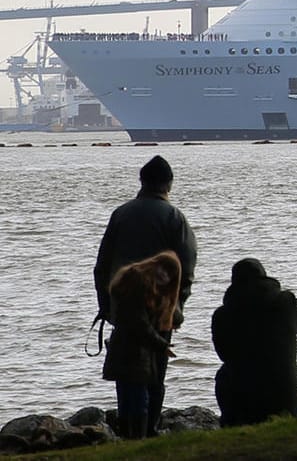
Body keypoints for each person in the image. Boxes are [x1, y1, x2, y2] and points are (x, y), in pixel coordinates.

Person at [93, 154, 197, 439]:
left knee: (127, 369)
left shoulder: (121, 214)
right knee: (154, 372)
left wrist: (106, 305)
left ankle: (129, 429)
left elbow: (102, 265)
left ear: (142, 181)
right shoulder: (175, 218)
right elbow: (185, 269)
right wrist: (176, 308)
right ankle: (149, 429)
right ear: (169, 184)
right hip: (159, 311)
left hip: (123, 307)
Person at [211, 258, 297, 427]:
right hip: (284, 396)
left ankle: (230, 422)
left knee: (224, 374)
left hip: (242, 397)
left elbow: (223, 354)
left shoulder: (221, 316)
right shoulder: (285, 302)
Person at [101, 250, 182, 440]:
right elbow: (139, 323)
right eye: (165, 271)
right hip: (133, 351)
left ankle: (130, 438)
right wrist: (162, 345)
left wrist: (173, 315)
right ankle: (137, 439)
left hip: (126, 349)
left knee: (129, 397)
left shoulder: (139, 282)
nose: (166, 276)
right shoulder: (138, 284)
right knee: (137, 398)